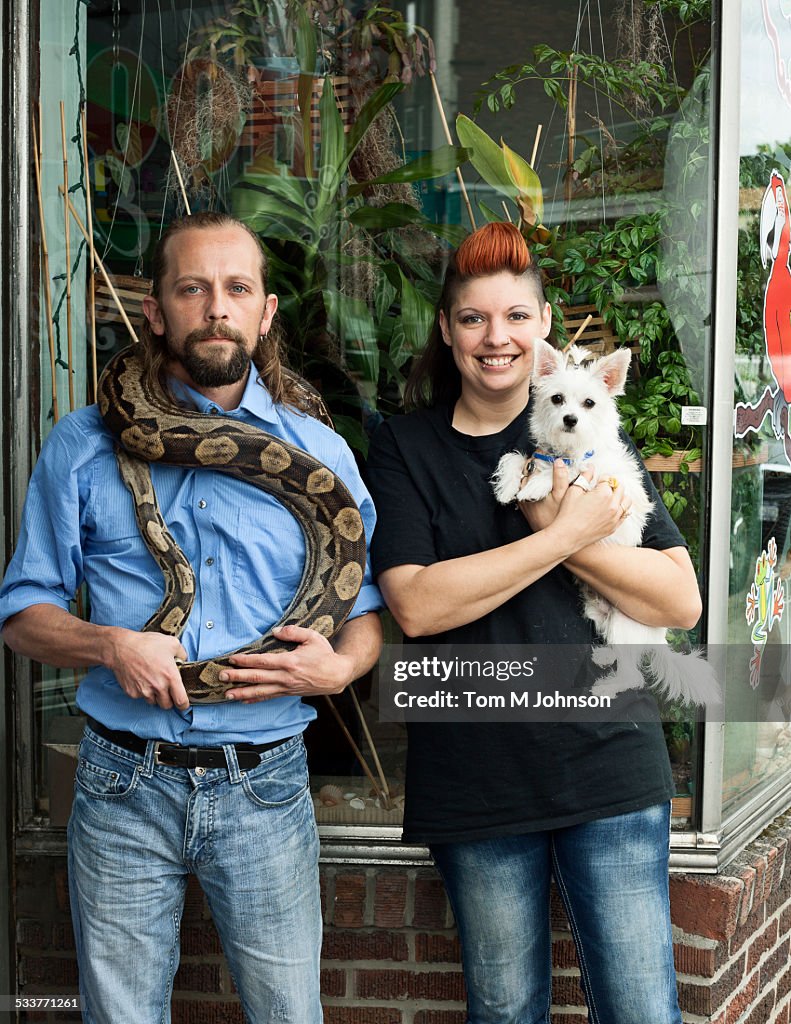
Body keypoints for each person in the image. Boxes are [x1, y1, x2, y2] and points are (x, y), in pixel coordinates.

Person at [0, 211, 383, 1024]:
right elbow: (20, 615)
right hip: (121, 779)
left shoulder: (321, 454)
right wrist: (108, 645)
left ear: (265, 311)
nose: (216, 307)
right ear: (157, 312)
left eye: (236, 288)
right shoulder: (84, 444)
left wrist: (344, 666)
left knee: (288, 1012)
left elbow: (369, 606)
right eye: (192, 288)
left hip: (267, 781)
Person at [365, 221, 699, 1024]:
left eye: (516, 315)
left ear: (543, 328)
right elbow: (414, 603)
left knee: (642, 1010)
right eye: (473, 318)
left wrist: (578, 540)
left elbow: (678, 601)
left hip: (609, 761)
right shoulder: (404, 447)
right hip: (475, 774)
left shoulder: (590, 434)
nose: (496, 337)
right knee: (506, 1011)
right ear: (446, 331)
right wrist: (561, 535)